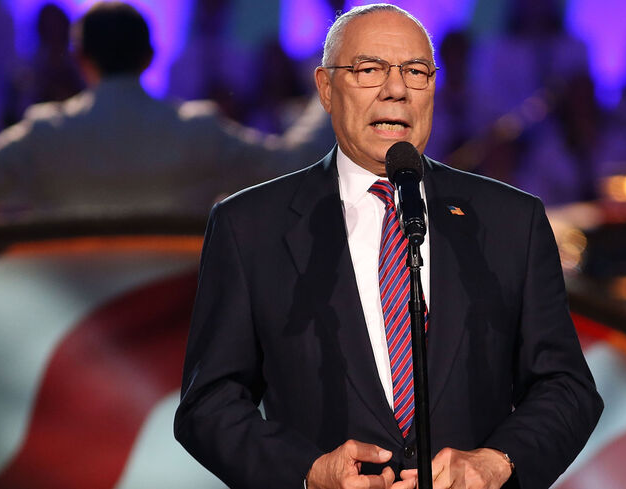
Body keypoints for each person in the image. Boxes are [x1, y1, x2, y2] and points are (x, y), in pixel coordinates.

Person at [174, 4, 602, 489]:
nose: (396, 89)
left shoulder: (511, 221)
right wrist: (307, 473)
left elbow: (567, 388)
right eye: (369, 70)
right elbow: (208, 404)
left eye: (415, 72)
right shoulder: (249, 226)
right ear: (326, 88)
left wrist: (497, 462)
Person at [0, 1, 332, 218]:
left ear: (80, 59)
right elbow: (296, 163)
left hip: (70, 330)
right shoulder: (197, 132)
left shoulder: (46, 136)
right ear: (149, 57)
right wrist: (336, 76)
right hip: (178, 326)